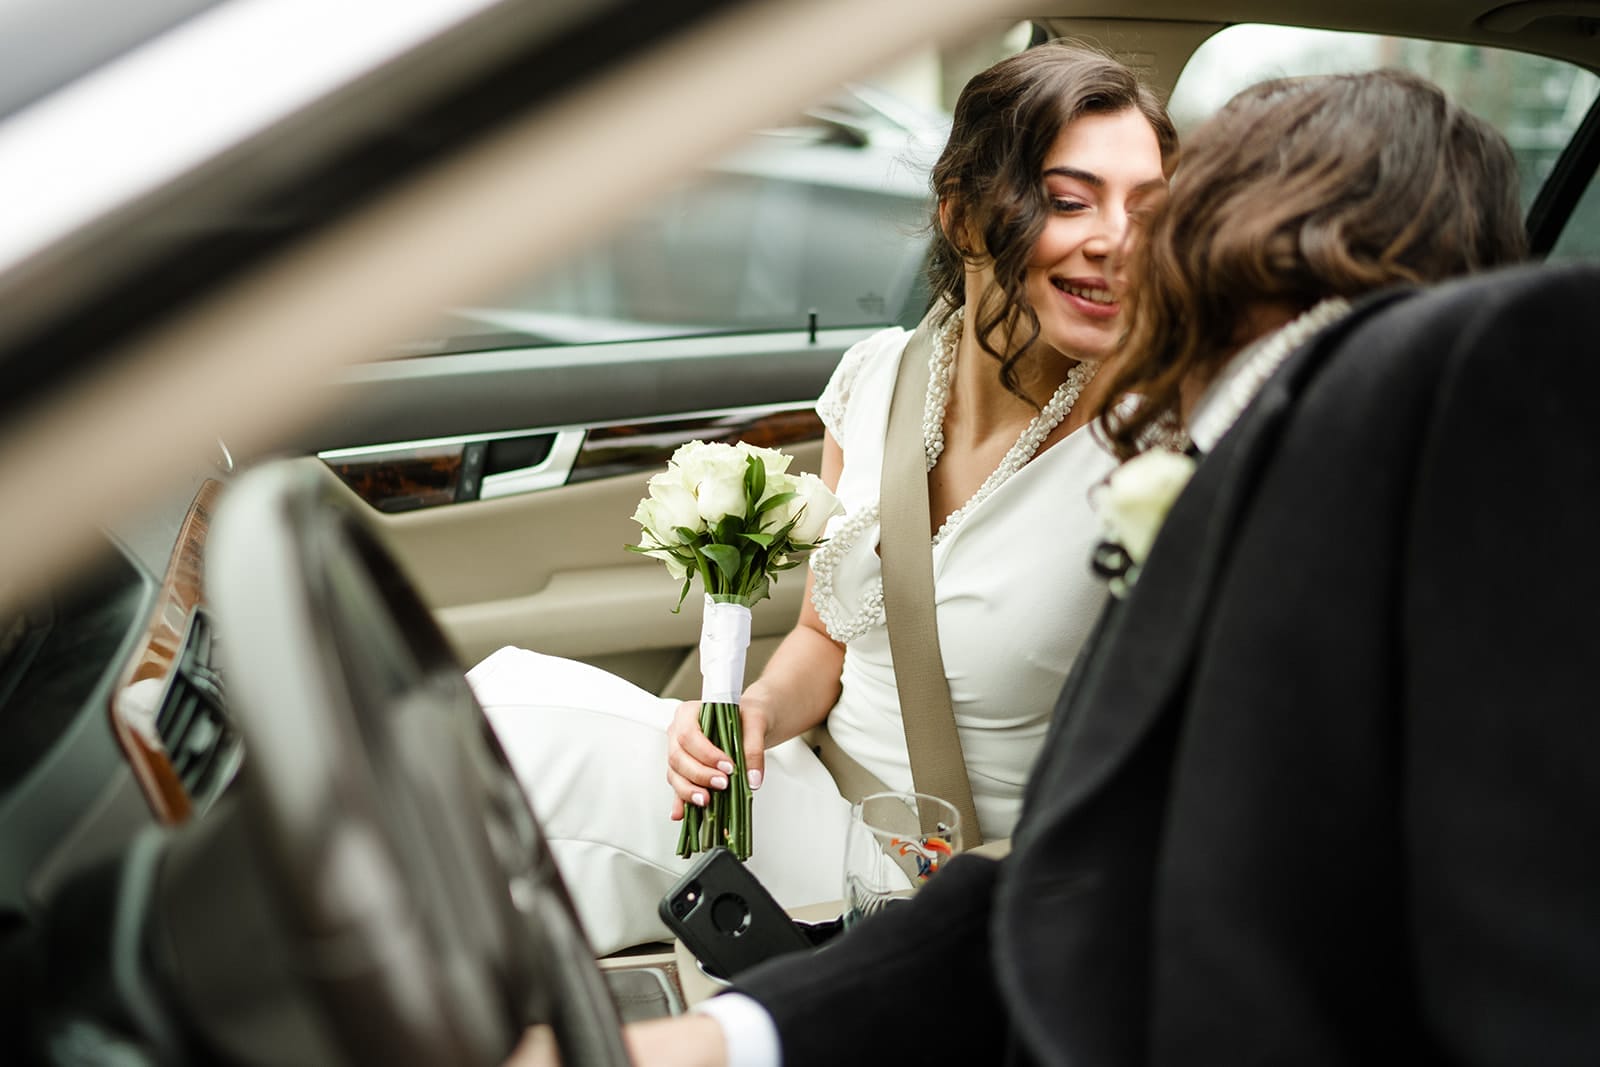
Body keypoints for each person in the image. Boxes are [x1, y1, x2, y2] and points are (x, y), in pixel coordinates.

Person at [543, 67, 1565, 1066]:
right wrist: (731, 1037)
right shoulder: (897, 380)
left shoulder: (1205, 470)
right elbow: (1077, 883)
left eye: (1217, 276)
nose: (1142, 272)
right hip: (905, 856)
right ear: (962, 216)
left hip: (934, 859)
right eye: (1196, 275)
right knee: (521, 711)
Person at [468, 42, 1177, 955]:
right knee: (500, 701)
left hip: (933, 878)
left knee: (532, 765)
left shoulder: (1152, 459)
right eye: (1072, 200)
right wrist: (752, 717)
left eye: (1146, 210)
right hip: (808, 787)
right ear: (963, 221)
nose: (1117, 238)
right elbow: (823, 637)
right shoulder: (878, 377)